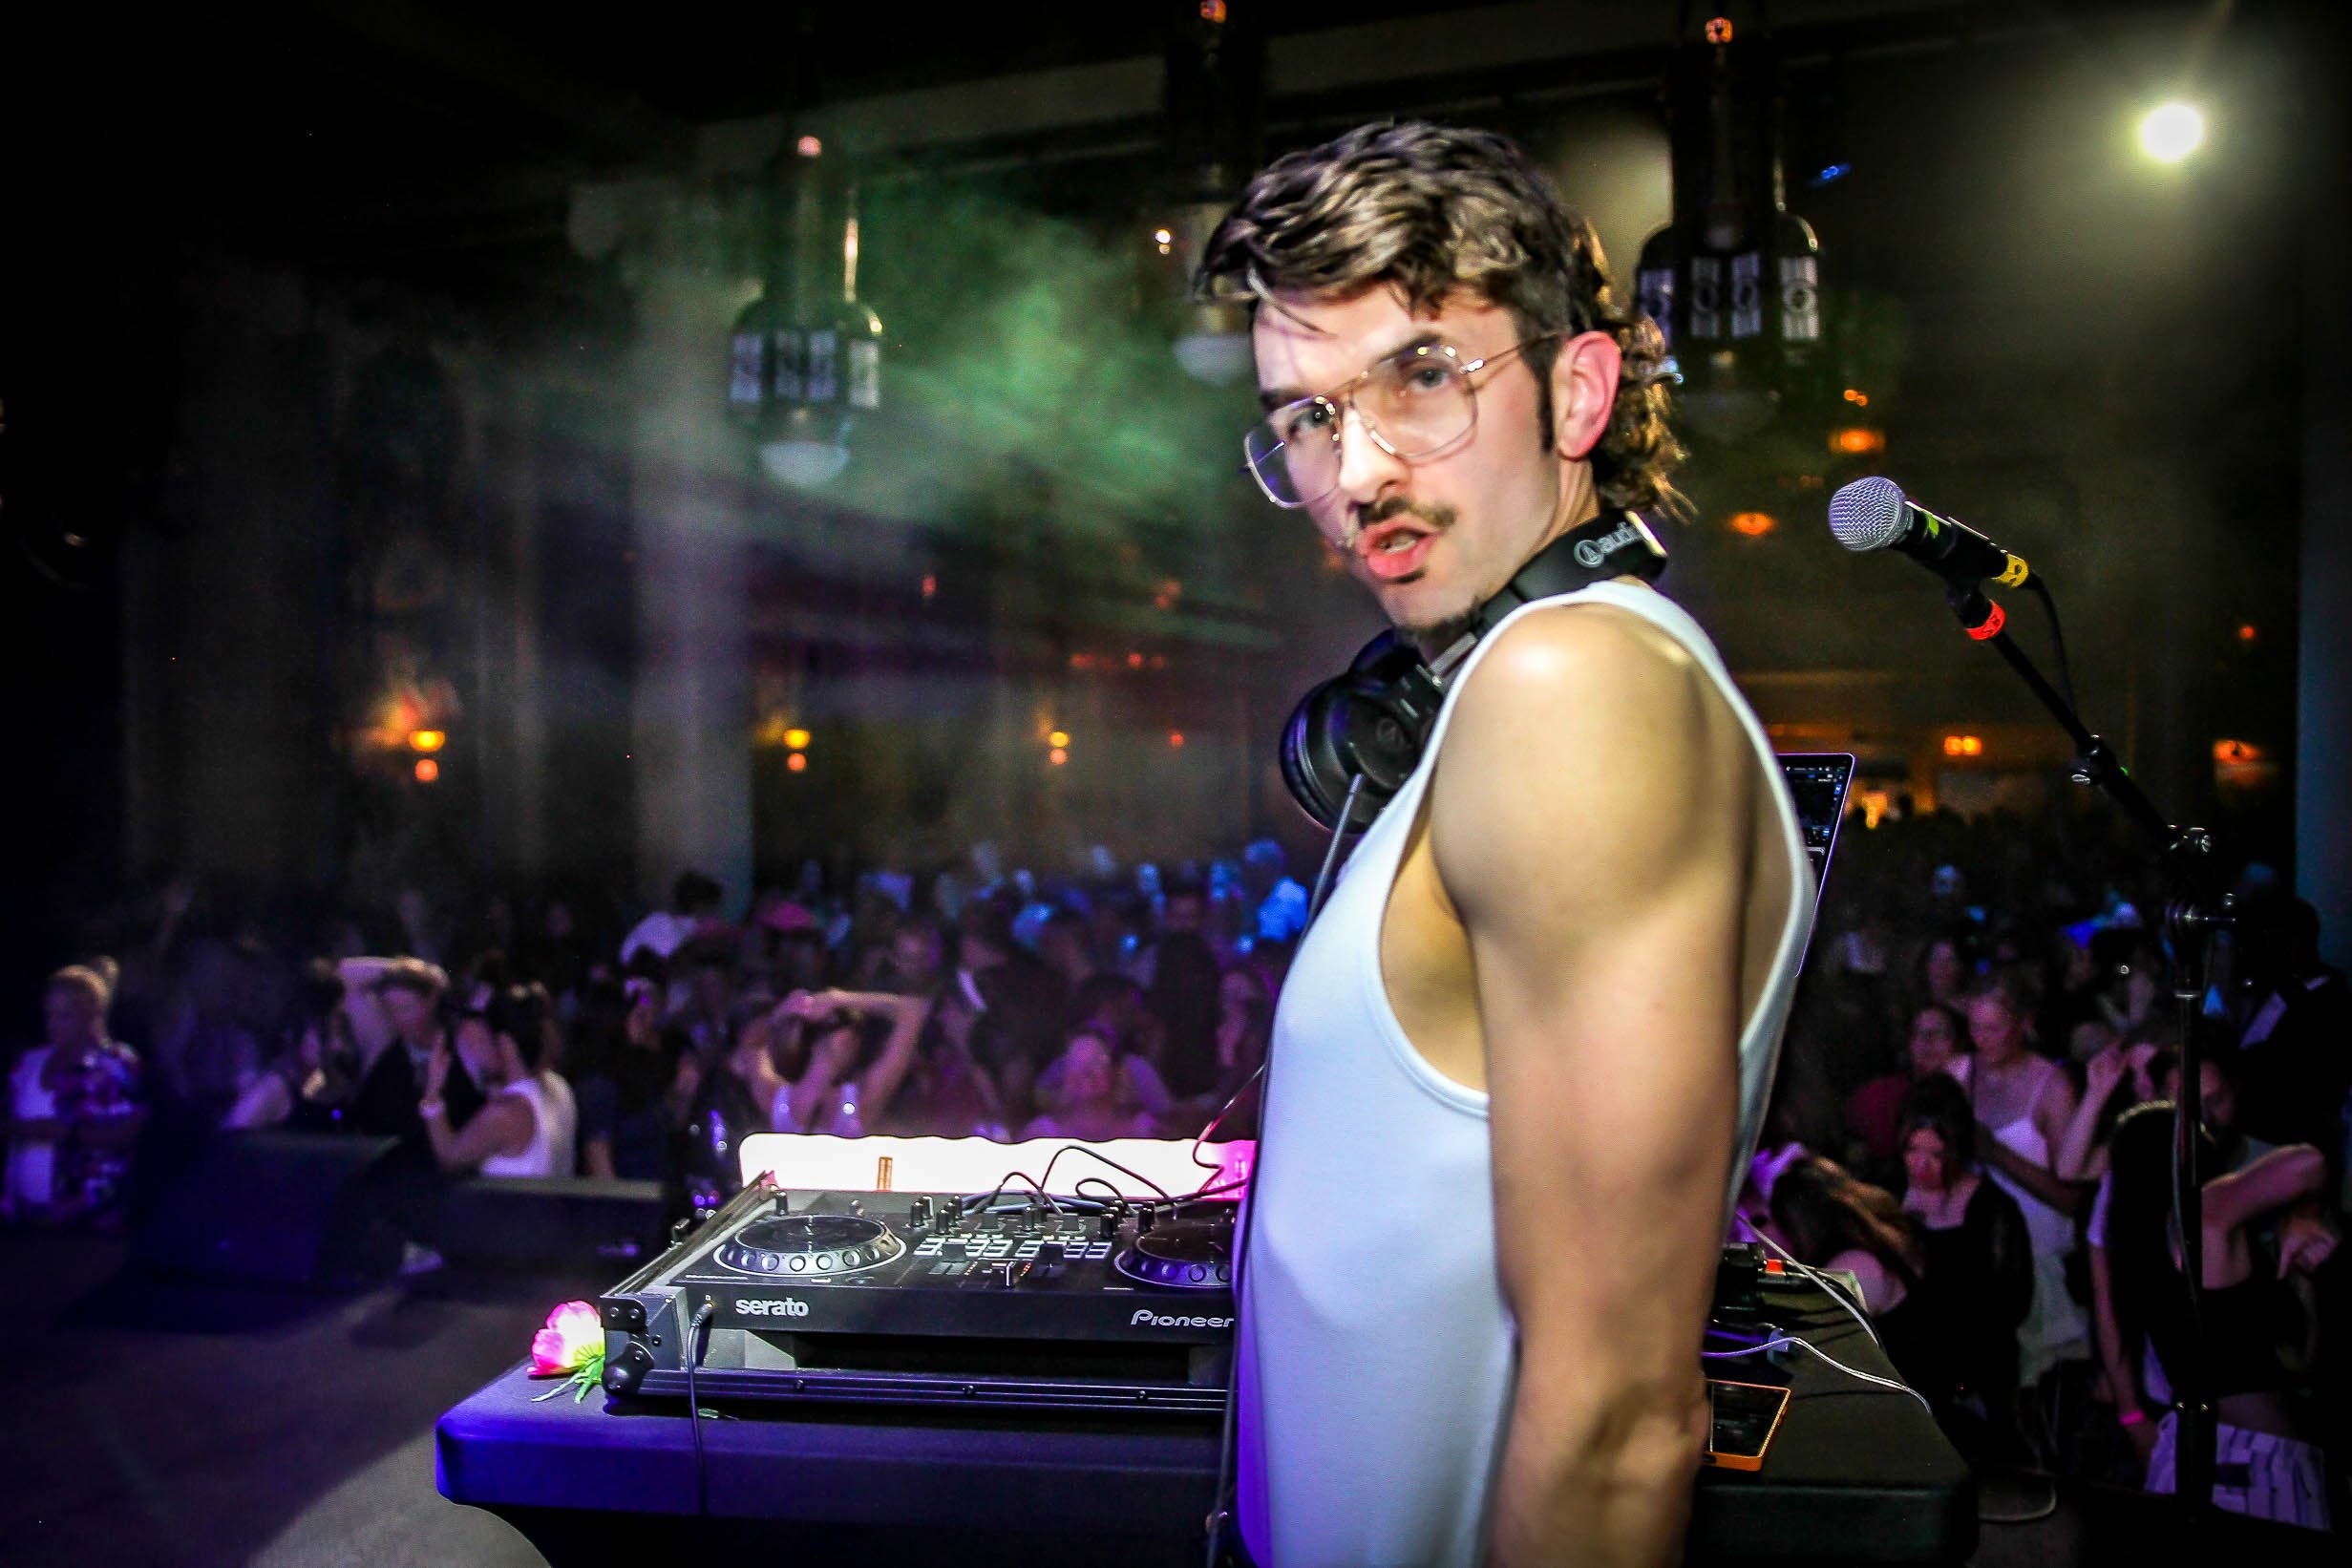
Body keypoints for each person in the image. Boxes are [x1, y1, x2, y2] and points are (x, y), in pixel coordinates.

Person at [1197, 119, 1812, 1566]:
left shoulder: (1570, 687)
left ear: (1576, 389)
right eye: (1303, 415)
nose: (1352, 472)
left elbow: (1612, 1415)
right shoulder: (1500, 699)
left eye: (1418, 377)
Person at [2097, 1102, 2335, 1528]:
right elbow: (2308, 1162)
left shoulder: (2136, 1243)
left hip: (2186, 1459)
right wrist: (2306, 1211)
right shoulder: (2202, 1212)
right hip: (2260, 1471)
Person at [1894, 1074, 2034, 1459]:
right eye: (1912, 1151)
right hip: (1908, 1376)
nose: (1921, 1166)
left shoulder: (1993, 1211)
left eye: (1936, 1155)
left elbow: (2012, 1303)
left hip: (1975, 1379)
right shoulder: (1888, 1196)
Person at [6, 963, 144, 1228]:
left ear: (93, 1013)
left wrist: (65, 1133)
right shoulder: (29, 1062)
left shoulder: (116, 1064)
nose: (53, 1025)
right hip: (23, 1219)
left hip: (85, 1222)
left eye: (65, 1016)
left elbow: (129, 1133)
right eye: (50, 1015)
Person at [421, 985, 578, 1179]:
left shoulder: (504, 1114)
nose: (473, 1047)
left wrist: (432, 1095)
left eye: (482, 1036)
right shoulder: (559, 1086)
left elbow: (449, 1159)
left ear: (505, 1043)